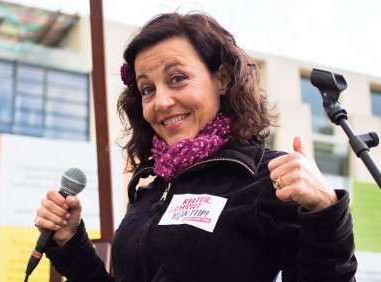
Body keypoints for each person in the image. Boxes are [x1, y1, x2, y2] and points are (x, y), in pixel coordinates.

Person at [34, 12, 357, 281]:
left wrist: (326, 213)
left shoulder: (267, 178)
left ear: (223, 79)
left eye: (177, 79)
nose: (161, 101)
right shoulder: (150, 190)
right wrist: (71, 241)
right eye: (147, 88)